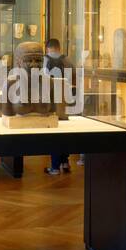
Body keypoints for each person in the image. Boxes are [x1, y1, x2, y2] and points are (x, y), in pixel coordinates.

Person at [44, 37, 73, 175]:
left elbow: (42, 79)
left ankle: (55, 167)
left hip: (51, 100)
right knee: (65, 132)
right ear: (59, 47)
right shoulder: (67, 60)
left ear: (48, 48)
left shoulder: (45, 60)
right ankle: (66, 162)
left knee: (53, 133)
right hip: (66, 100)